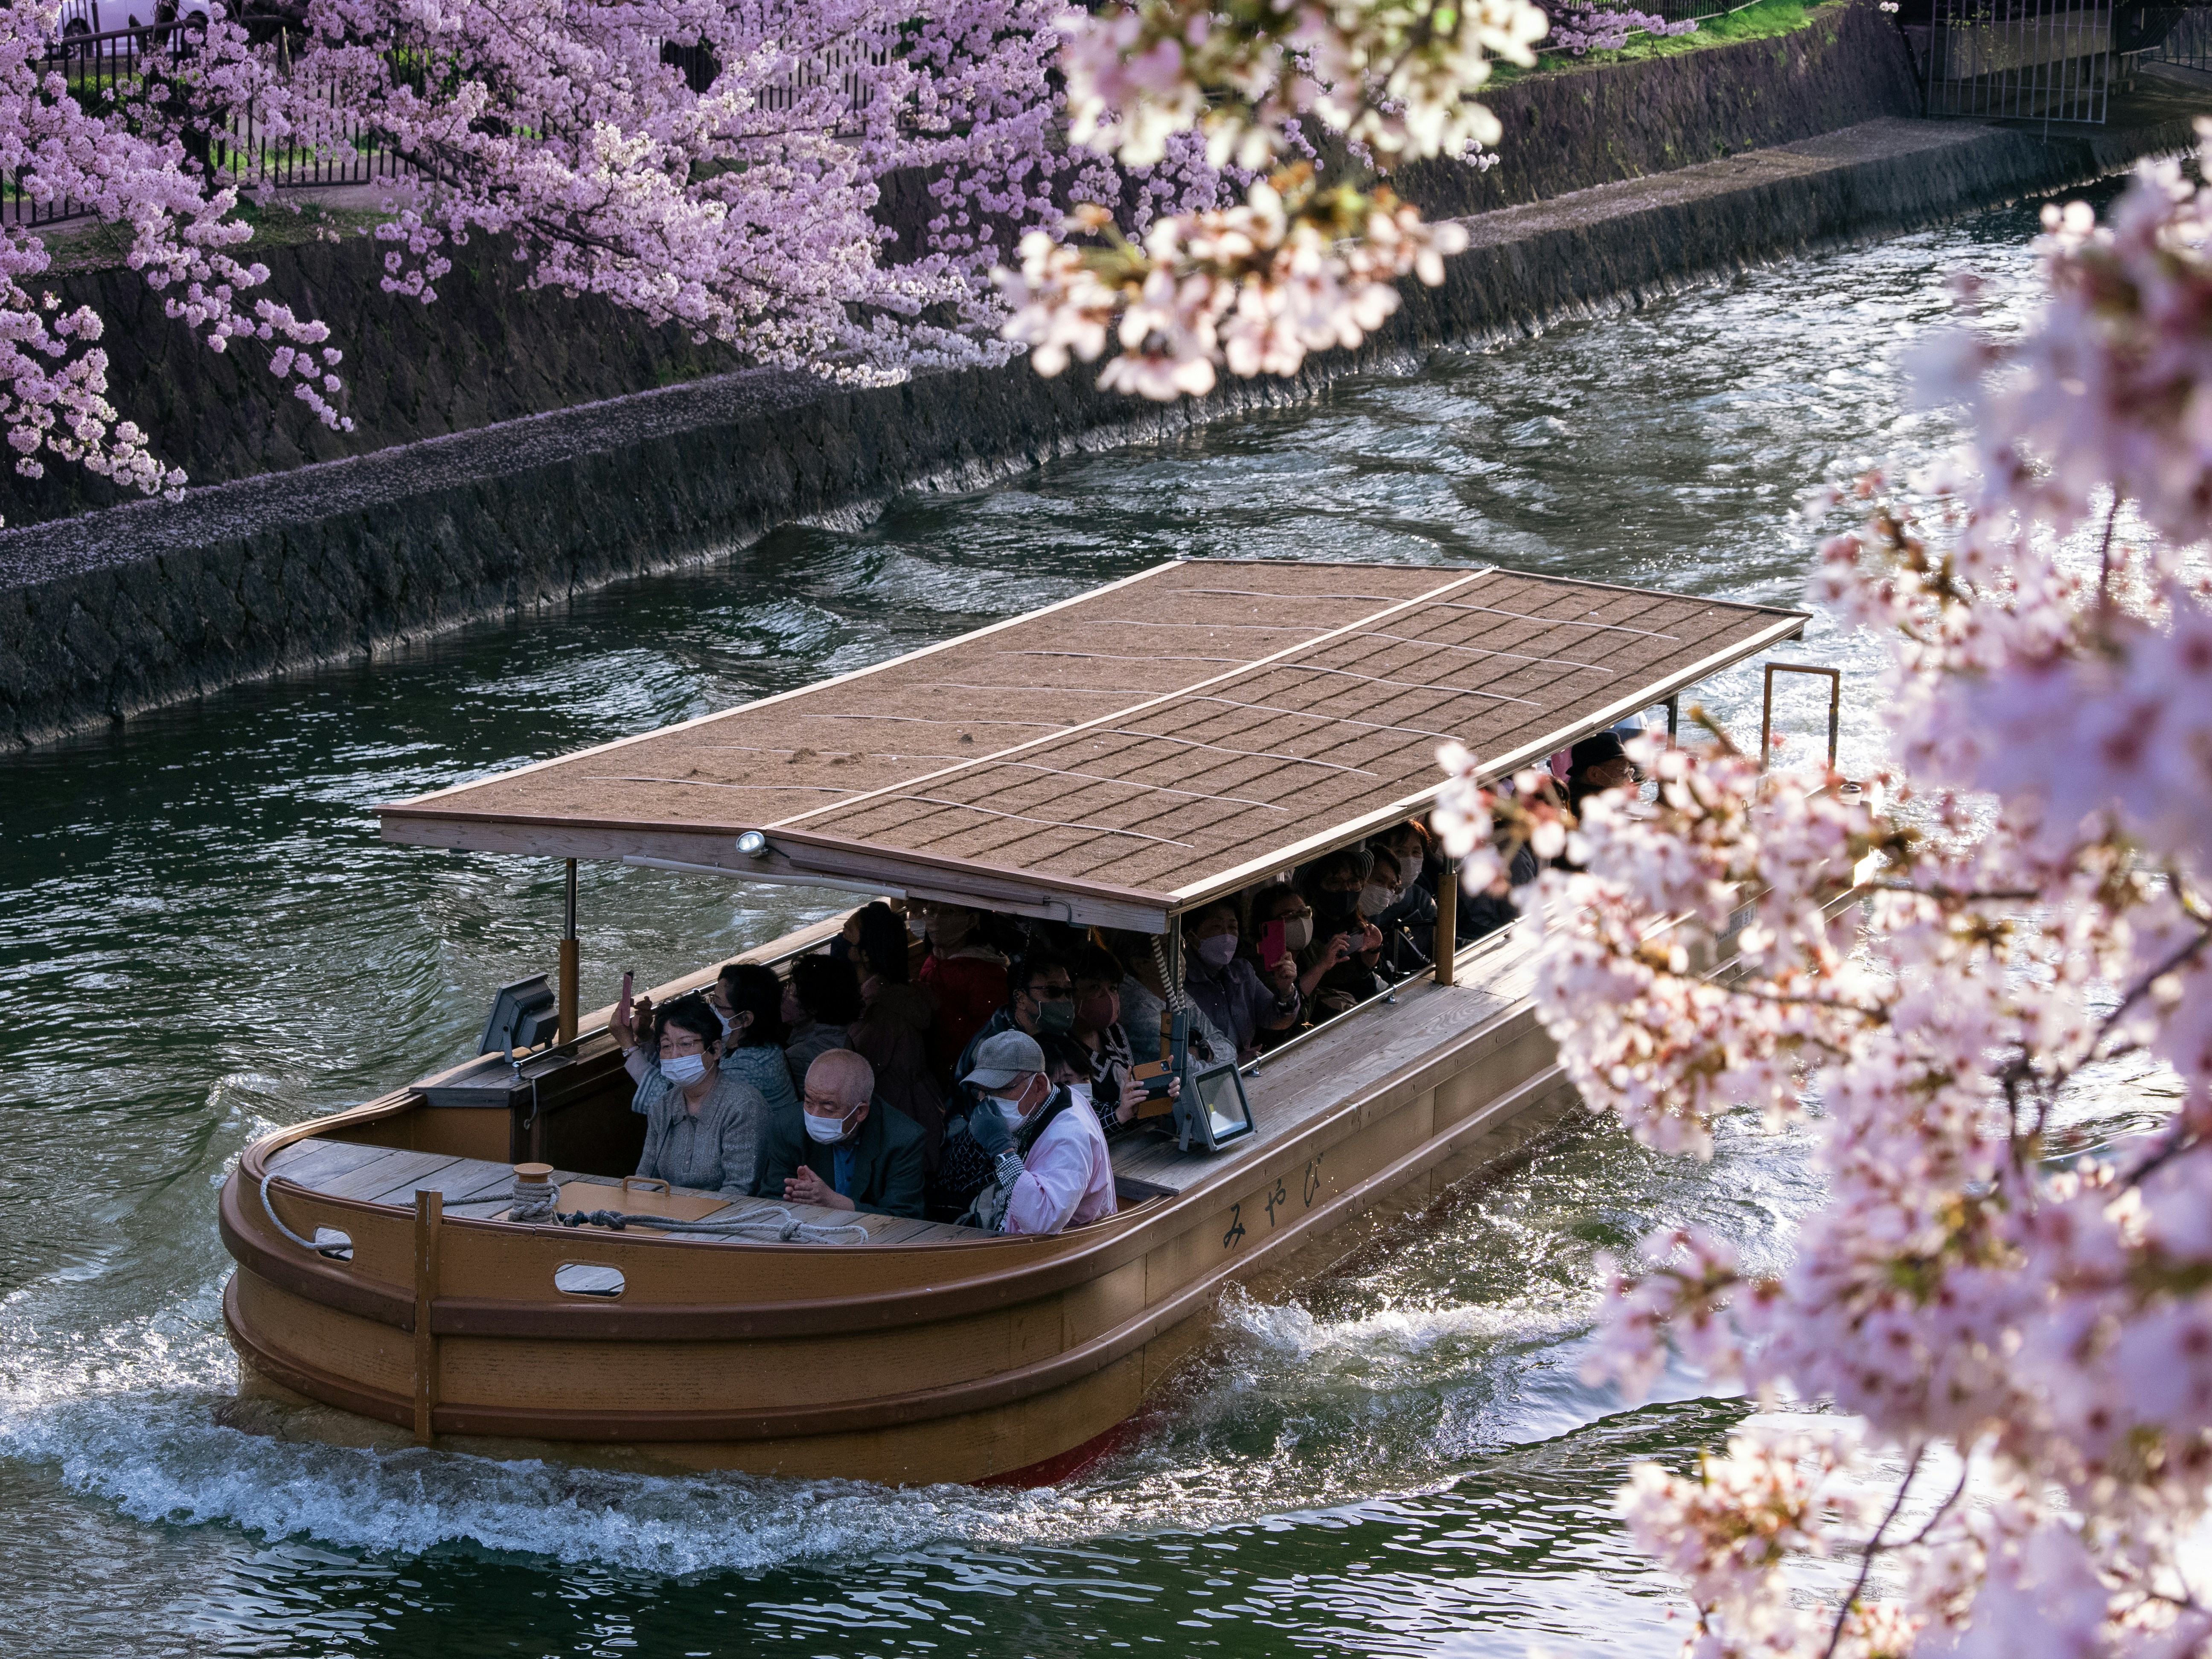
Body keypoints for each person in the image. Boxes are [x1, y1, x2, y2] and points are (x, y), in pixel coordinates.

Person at [609, 995, 767, 1199]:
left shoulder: (743, 1105)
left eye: (686, 1044)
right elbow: (644, 1180)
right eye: (667, 1046)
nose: (675, 1055)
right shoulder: (663, 1107)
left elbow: (739, 1191)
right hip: (666, 1217)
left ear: (716, 1049)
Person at [961, 1030, 1116, 1235]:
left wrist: (1003, 1151)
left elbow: (1043, 1220)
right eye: (982, 1092)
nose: (987, 1101)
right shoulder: (1047, 1103)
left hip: (1063, 1255)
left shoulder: (1069, 1138)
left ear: (1040, 1085)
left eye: (1000, 1090)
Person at [756, 1049, 926, 1218]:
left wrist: (838, 1204)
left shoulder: (904, 1139)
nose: (814, 1115)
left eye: (828, 1108)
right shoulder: (787, 1125)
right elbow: (771, 1200)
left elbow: (905, 1217)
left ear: (860, 1112)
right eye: (808, 1102)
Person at [845, 900, 946, 1166]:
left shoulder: (880, 1013)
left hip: (896, 1122)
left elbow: (859, 1070)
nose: (841, 940)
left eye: (848, 935)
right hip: (921, 1112)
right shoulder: (901, 995)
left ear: (864, 954)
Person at [1068, 943, 1172, 1138]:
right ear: (1071, 992)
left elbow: (1131, 1090)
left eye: (1113, 988)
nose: (1107, 997)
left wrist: (1161, 1091)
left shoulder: (1114, 1032)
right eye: (1094, 988)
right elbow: (1081, 1124)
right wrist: (1121, 1113)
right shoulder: (1062, 1048)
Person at [1182, 900, 1301, 1062]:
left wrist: (1286, 989)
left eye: (1232, 928)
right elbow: (1184, 1056)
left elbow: (1278, 1020)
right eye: (1217, 927)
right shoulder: (1179, 983)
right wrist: (1233, 1062)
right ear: (1192, 936)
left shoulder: (1243, 971)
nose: (1227, 935)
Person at [914, 902, 1009, 1080]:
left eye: (949, 912)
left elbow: (987, 1041)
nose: (936, 920)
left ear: (972, 920)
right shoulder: (933, 961)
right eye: (932, 910)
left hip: (962, 1077)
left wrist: (937, 1005)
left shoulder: (987, 973)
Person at [954, 948, 1075, 1082]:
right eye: (1053, 991)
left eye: (1069, 992)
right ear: (1021, 998)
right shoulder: (995, 1050)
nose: (1064, 1000)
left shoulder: (1055, 1033)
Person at [1296, 850, 1386, 1020]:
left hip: (1369, 1009)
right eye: (1334, 882)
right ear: (1314, 888)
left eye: (1354, 882)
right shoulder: (1304, 932)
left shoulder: (1358, 922)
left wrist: (1374, 947)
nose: (1346, 889)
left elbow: (1364, 970)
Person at [710, 960, 800, 1118]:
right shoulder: (764, 1046)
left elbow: (703, 1109)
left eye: (718, 1005)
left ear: (746, 1019)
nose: (712, 1010)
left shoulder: (748, 1068)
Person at [783, 952, 862, 1093]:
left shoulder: (797, 1056)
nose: (785, 997)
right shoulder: (842, 1034)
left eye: (794, 995)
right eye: (788, 988)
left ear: (813, 1007)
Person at [1566, 730, 1639, 817]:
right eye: (1622, 771)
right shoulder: (1585, 809)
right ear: (1594, 774)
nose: (1630, 780)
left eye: (1629, 771)